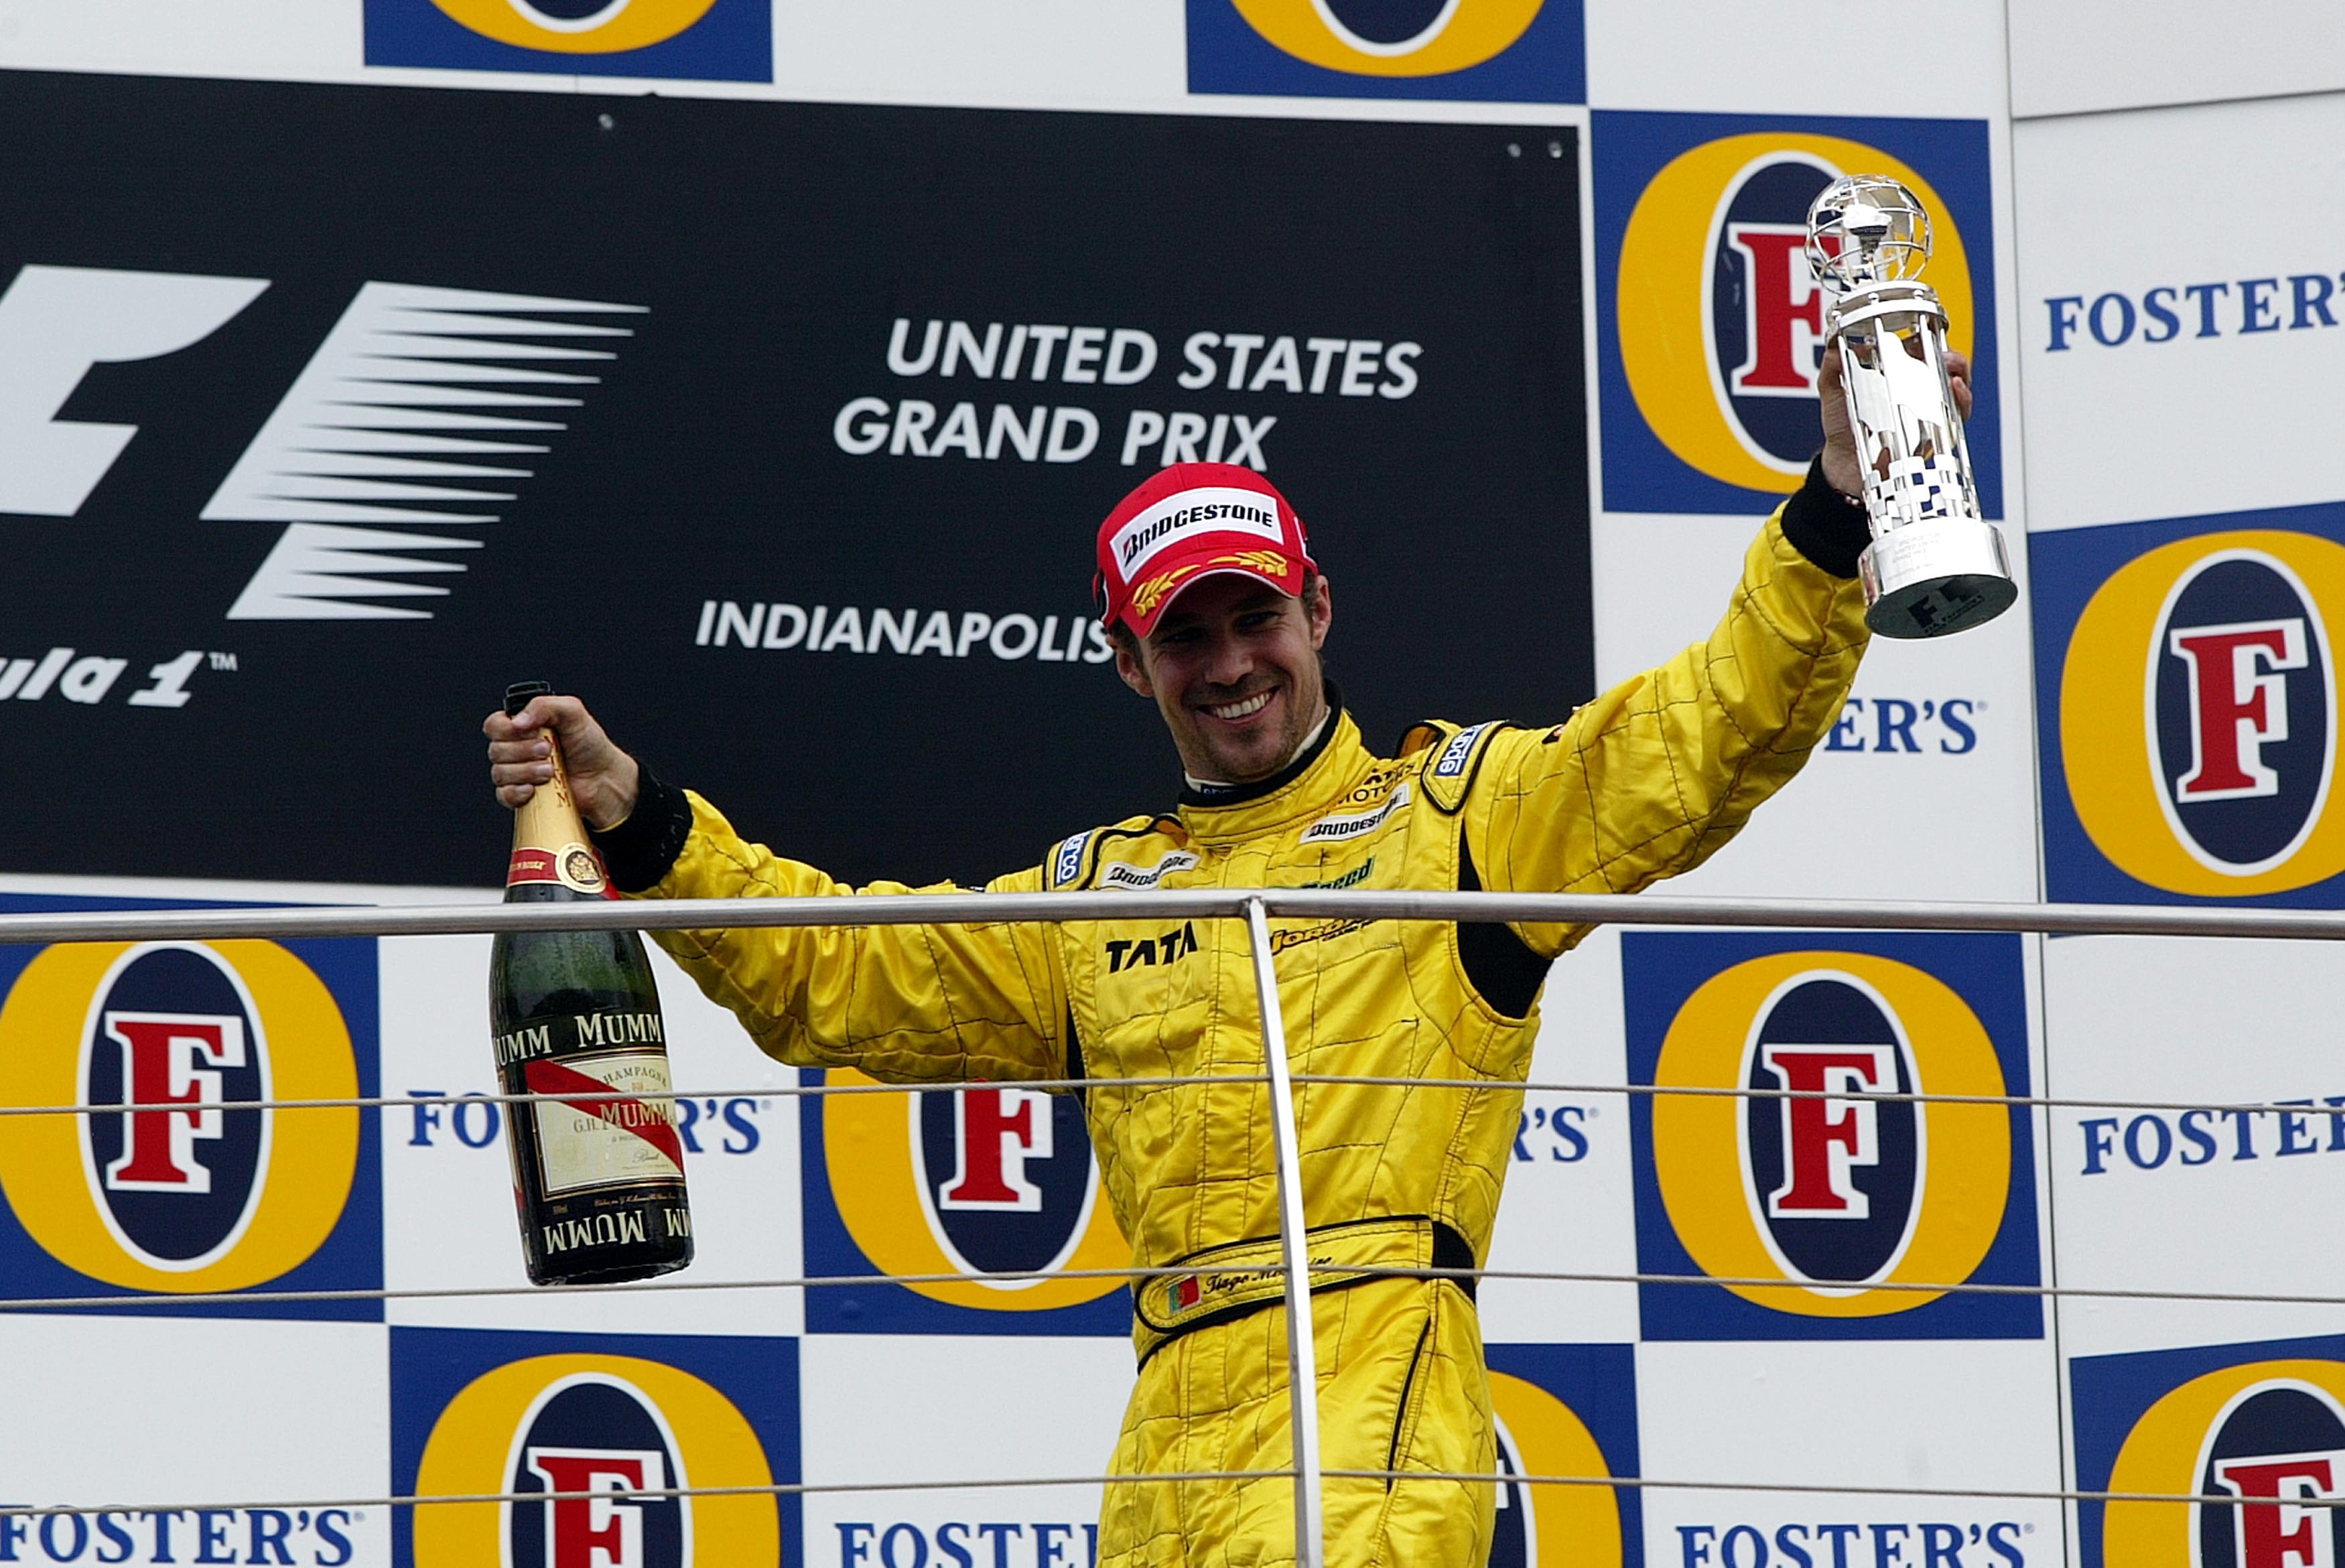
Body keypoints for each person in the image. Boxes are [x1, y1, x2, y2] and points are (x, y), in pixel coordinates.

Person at [485, 352, 1967, 1567]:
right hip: (1160, 1451)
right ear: (1130, 663)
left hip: (1370, 1413)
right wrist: (643, 818)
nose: (1231, 660)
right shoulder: (1091, 890)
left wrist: (1834, 510)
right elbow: (844, 976)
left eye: (1254, 615)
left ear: (1316, 610)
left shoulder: (1462, 818)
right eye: (1183, 635)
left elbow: (1702, 738)